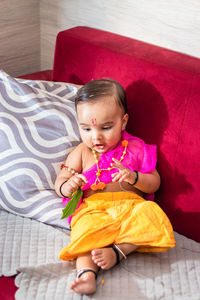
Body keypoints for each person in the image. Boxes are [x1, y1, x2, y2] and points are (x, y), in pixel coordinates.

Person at [55, 78, 175, 295]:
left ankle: (118, 251)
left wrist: (134, 177)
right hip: (94, 209)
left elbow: (154, 182)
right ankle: (86, 275)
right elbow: (61, 182)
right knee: (85, 232)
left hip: (130, 207)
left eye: (106, 127)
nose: (96, 136)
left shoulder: (136, 148)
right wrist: (69, 185)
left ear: (123, 121)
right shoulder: (82, 152)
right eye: (87, 128)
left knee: (152, 213)